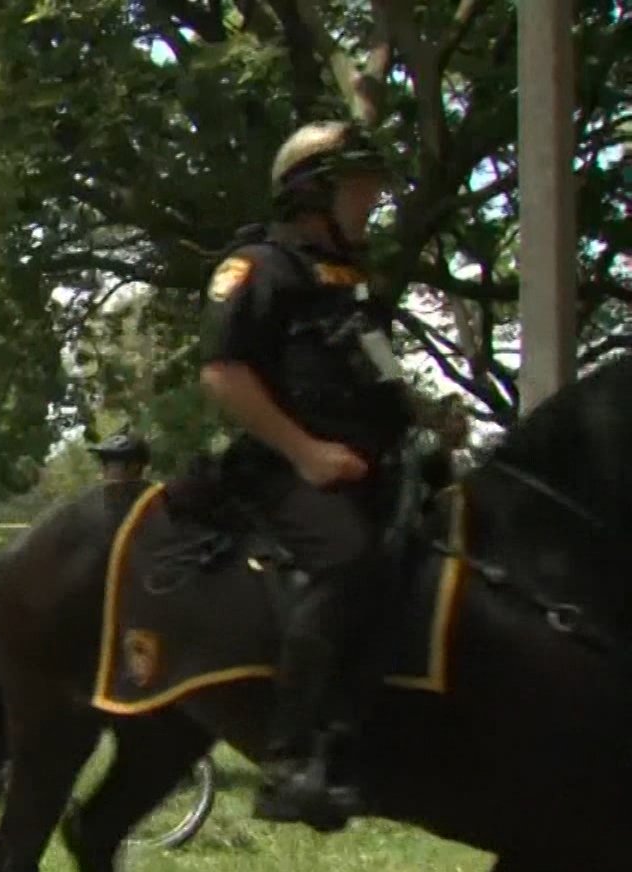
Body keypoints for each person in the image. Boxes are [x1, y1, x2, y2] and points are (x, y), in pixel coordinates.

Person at [197, 119, 414, 832]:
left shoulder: (357, 286)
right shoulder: (259, 270)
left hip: (370, 469)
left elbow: (382, 373)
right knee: (347, 558)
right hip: (281, 470)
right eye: (359, 187)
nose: (372, 202)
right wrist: (305, 452)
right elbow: (224, 375)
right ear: (312, 193)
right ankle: (289, 759)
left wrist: (428, 416)